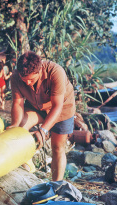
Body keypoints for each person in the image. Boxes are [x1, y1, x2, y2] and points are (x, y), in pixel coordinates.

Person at [8, 51, 75, 181]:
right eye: (24, 80)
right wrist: (14, 126)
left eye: (31, 80)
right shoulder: (16, 77)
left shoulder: (56, 72)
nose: (27, 83)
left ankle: (56, 184)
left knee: (57, 147)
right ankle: (25, 167)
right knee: (20, 128)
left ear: (40, 70)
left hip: (61, 108)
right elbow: (17, 103)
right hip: (36, 106)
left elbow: (57, 106)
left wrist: (43, 130)